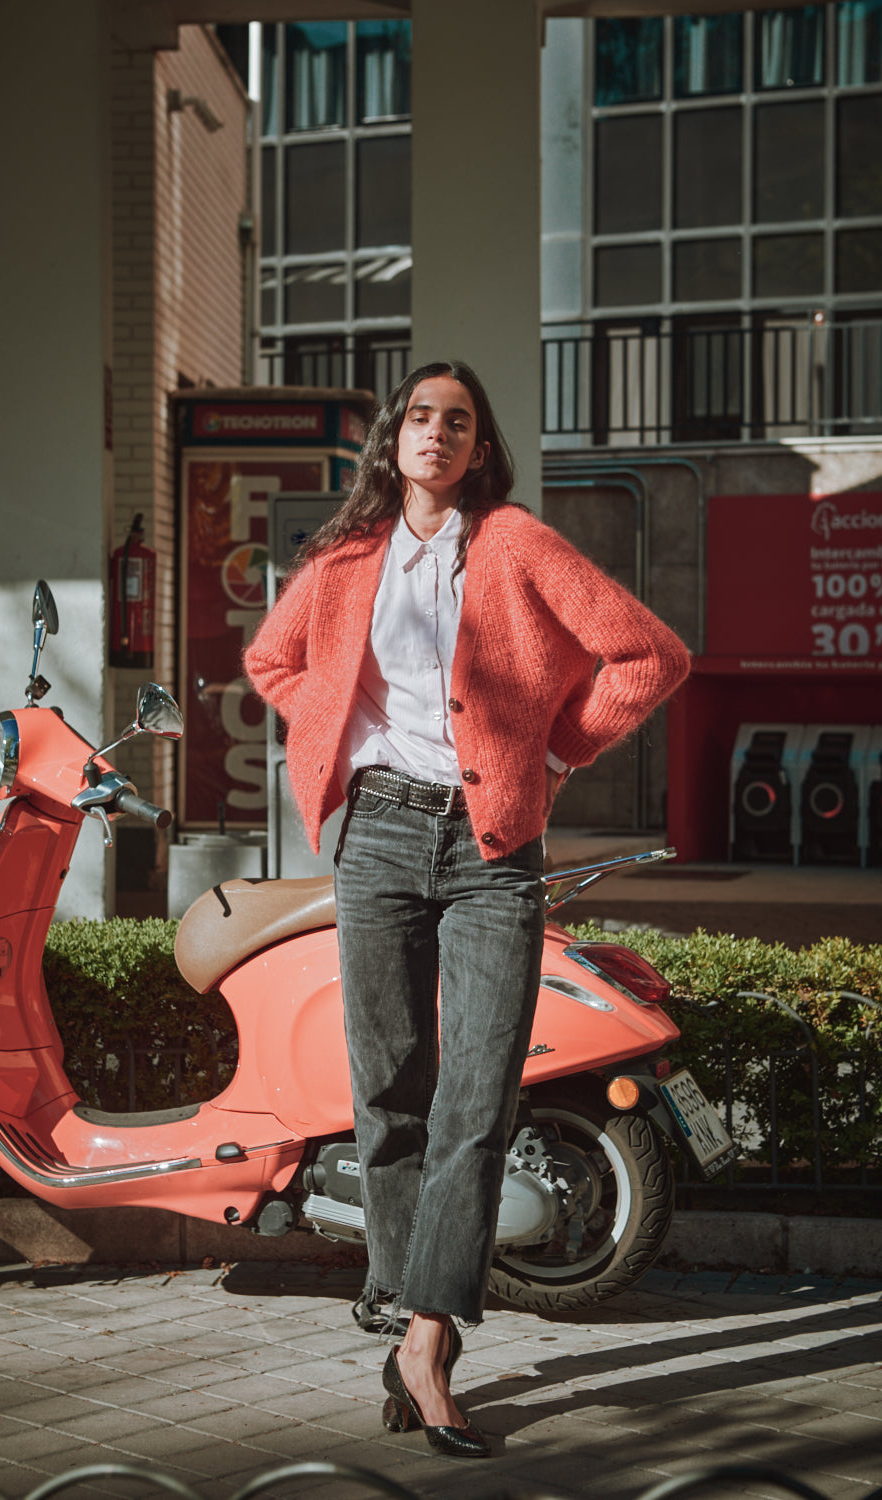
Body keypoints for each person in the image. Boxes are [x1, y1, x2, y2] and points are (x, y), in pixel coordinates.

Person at [244, 361, 691, 1458]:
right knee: (388, 1086)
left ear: (481, 449)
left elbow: (650, 654)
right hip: (379, 835)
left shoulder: (518, 545)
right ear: (392, 439)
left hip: (492, 843)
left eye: (457, 421)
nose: (434, 433)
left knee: (479, 1091)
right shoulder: (345, 558)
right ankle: (405, 1307)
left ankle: (428, 1338)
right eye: (417, 416)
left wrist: (554, 743)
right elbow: (271, 660)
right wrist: (337, 734)